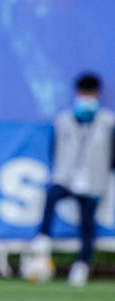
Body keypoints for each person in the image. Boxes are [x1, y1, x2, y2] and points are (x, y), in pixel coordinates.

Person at [28, 72, 114, 288]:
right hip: (66, 176)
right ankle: (43, 237)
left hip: (94, 181)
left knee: (87, 224)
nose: (87, 97)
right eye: (84, 92)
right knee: (51, 195)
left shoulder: (108, 122)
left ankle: (81, 266)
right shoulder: (63, 120)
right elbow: (55, 150)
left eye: (90, 93)